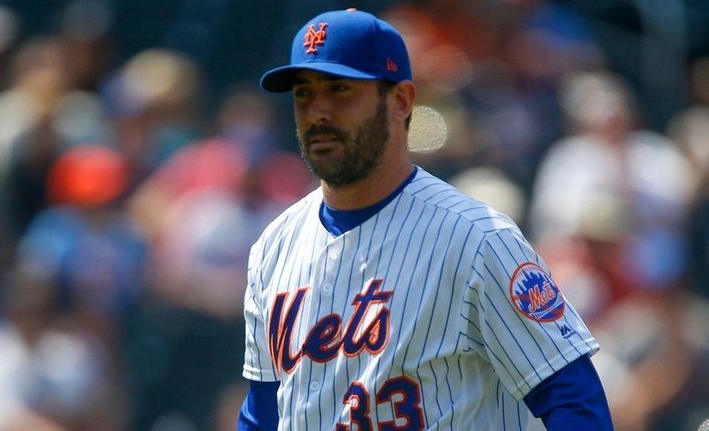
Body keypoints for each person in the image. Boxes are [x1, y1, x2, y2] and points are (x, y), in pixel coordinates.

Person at [238, 9, 612, 430]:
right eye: (303, 94)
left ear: (400, 101)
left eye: (339, 89)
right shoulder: (273, 246)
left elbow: (574, 401)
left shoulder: (479, 240)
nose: (318, 111)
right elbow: (263, 413)